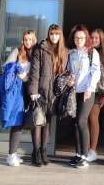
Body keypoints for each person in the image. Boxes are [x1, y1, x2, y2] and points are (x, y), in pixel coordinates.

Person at [28, 24, 67, 167]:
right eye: (52, 34)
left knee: (48, 123)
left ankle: (44, 151)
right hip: (40, 92)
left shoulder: (63, 51)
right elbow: (34, 72)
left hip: (54, 94)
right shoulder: (40, 48)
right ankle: (36, 152)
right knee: (38, 122)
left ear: (60, 35)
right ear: (48, 35)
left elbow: (63, 73)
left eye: (57, 34)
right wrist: (33, 91)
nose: (54, 36)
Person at [66, 24, 101, 169]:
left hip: (87, 92)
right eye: (76, 38)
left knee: (81, 121)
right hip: (74, 91)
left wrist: (90, 88)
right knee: (75, 123)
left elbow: (96, 72)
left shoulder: (92, 52)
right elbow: (69, 70)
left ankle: (85, 157)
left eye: (81, 37)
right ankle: (78, 154)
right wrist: (69, 79)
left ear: (86, 38)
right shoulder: (71, 53)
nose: (79, 40)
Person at [4, 30, 36, 167]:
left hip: (29, 91)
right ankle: (11, 155)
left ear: (34, 40)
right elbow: (6, 67)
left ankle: (14, 152)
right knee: (16, 122)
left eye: (30, 39)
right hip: (17, 91)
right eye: (26, 39)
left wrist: (27, 78)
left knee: (22, 123)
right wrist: (18, 73)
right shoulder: (17, 52)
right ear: (23, 40)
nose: (28, 42)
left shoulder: (36, 53)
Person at [85, 28, 104, 163]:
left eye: (97, 38)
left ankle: (92, 150)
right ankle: (85, 149)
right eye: (92, 37)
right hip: (85, 90)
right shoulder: (86, 52)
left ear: (101, 40)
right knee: (83, 119)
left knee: (93, 119)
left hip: (98, 92)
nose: (94, 40)